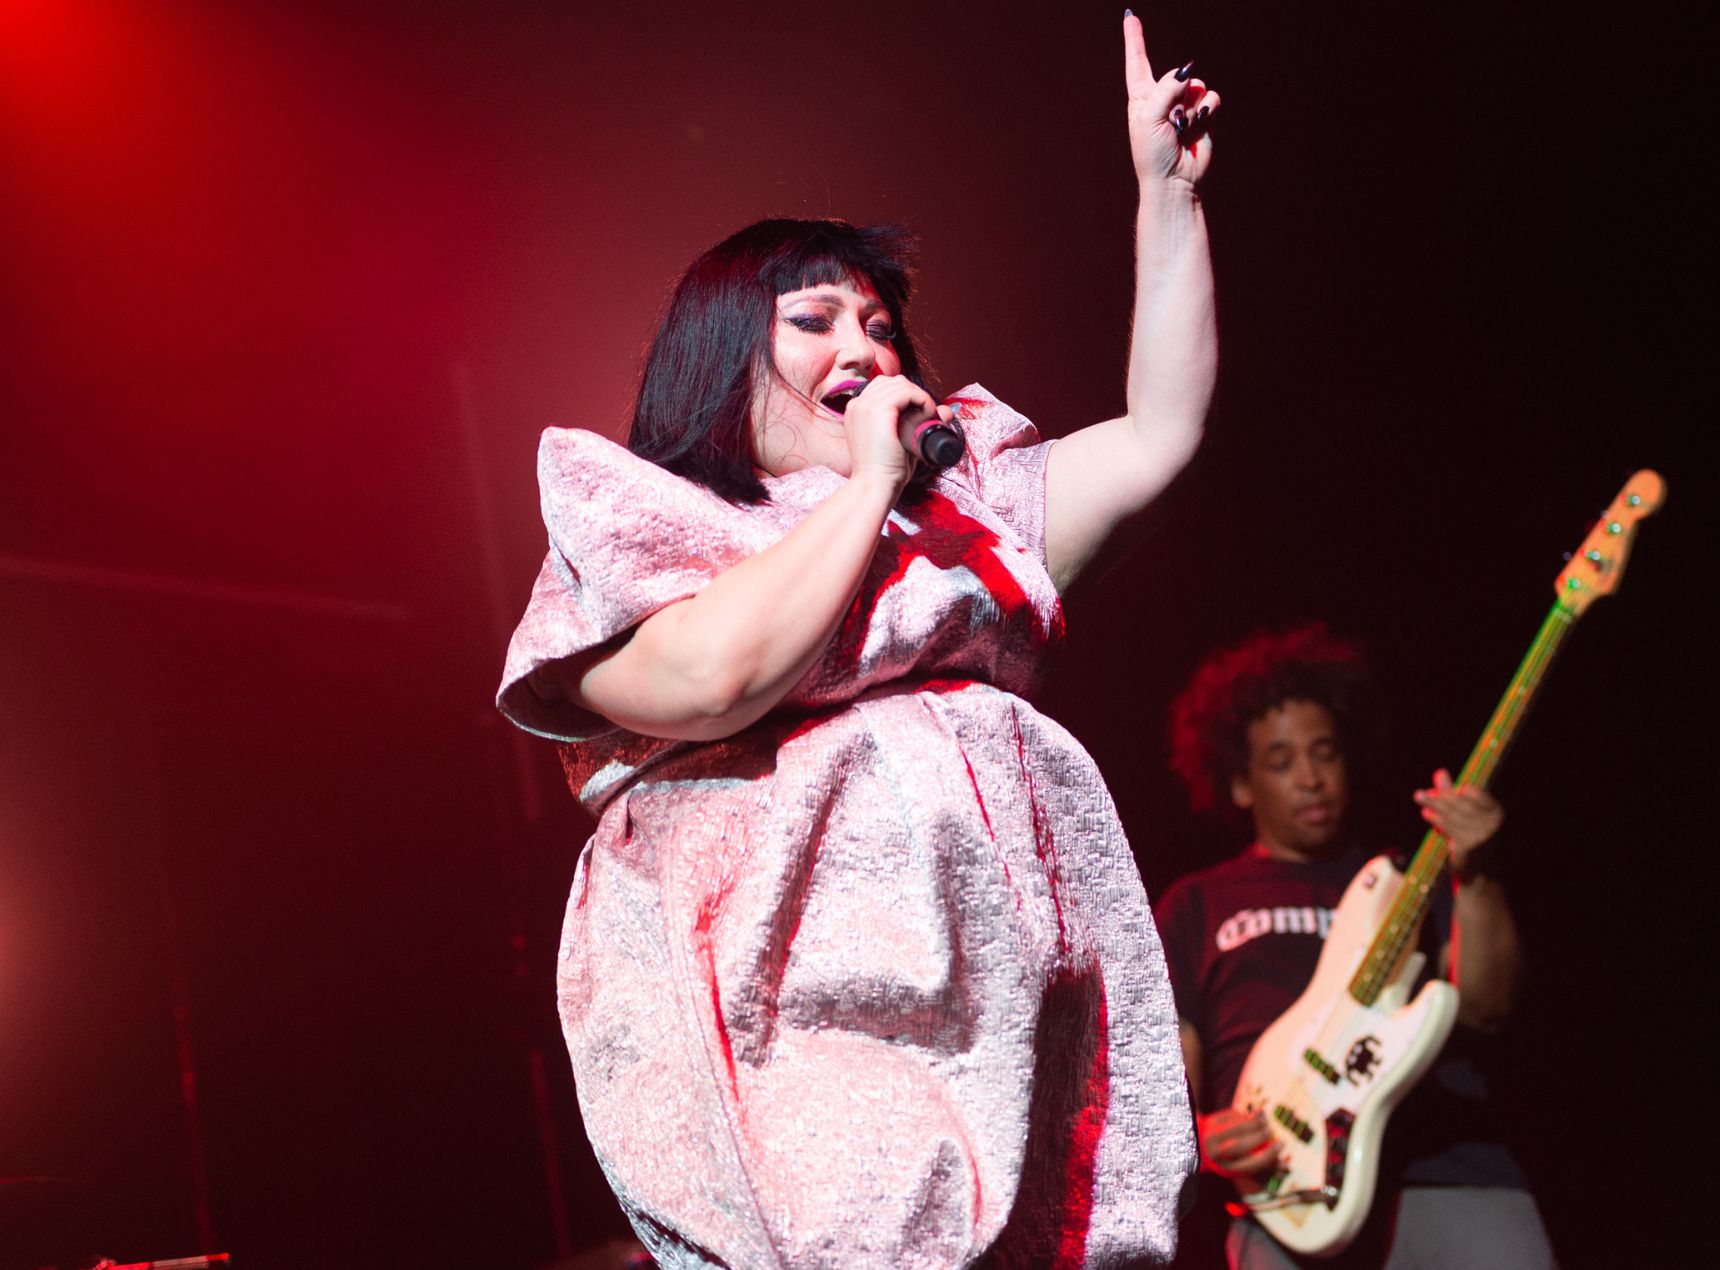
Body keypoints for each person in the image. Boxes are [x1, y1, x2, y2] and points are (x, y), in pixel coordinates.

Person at [495, 15, 1219, 1268]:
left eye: (879, 325)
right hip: (806, 1012)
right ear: (724, 356)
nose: (866, 348)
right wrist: (865, 489)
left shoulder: (959, 523)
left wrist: (1164, 202)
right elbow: (716, 678)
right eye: (815, 320)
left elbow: (1159, 434)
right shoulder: (649, 531)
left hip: (1019, 1002)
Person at [1153, 625, 1556, 1269]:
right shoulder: (1196, 903)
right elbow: (1166, 1078)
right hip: (1291, 1191)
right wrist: (1203, 1138)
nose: (1310, 778)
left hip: (1447, 1171)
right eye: (1281, 762)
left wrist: (1476, 873)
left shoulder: (1407, 877)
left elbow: (1487, 1009)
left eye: (1325, 753)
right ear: (1240, 784)